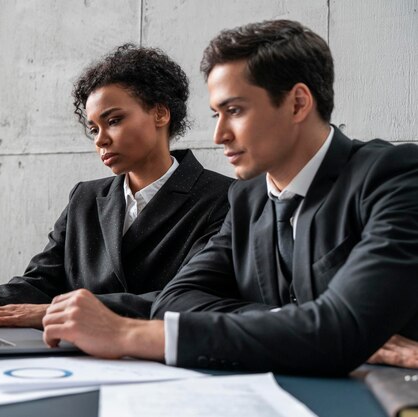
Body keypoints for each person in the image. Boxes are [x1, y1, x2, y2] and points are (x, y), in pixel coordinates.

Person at [41, 20, 418, 375]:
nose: (219, 134)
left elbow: (342, 328)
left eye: (234, 110)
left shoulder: (396, 176)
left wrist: (125, 334)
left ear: (298, 103)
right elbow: (174, 301)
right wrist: (303, 325)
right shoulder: (247, 199)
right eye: (215, 115)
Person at [0, 44, 233, 328]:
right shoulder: (86, 198)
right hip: (70, 360)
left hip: (163, 365)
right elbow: (40, 282)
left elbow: (186, 299)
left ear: (160, 113)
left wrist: (53, 313)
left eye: (114, 120)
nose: (101, 140)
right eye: (93, 128)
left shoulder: (224, 198)